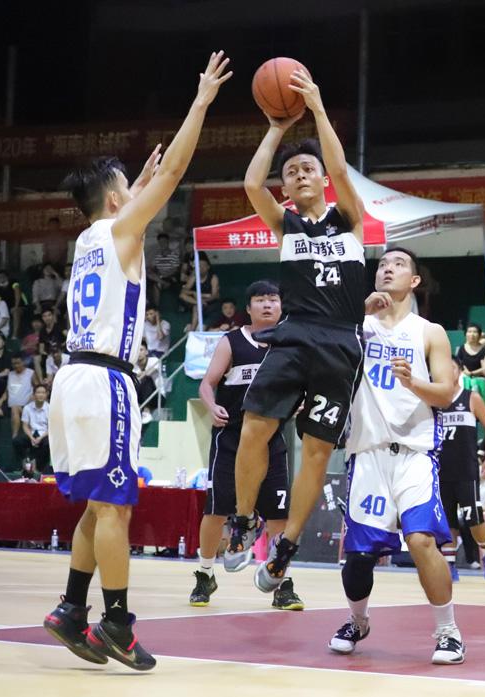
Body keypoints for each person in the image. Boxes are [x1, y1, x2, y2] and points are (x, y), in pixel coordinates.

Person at [42, 50, 231, 672]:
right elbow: (174, 175)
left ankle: (72, 608)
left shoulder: (87, 238)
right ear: (118, 196)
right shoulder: (122, 231)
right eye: (130, 185)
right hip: (104, 380)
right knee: (116, 507)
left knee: (100, 507)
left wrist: (136, 183)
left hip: (70, 378)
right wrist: (200, 102)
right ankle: (116, 622)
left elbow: (143, 192)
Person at [229, 66, 370, 590]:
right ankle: (245, 521)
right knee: (256, 427)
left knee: (316, 450)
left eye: (308, 168)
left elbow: (337, 163)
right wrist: (274, 128)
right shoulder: (284, 223)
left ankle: (286, 548)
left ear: (323, 178)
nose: (301, 175)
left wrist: (315, 110)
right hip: (295, 332)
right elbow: (249, 183)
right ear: (286, 187)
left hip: (341, 340)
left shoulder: (348, 217)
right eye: (292, 172)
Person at [326, 247, 463, 664]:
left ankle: (448, 632)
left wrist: (413, 383)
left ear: (415, 281)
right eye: (383, 265)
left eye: (398, 264)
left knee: (422, 541)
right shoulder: (356, 326)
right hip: (367, 452)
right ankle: (358, 619)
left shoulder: (429, 332)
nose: (387, 269)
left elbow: (447, 393)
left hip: (415, 453)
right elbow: (325, 353)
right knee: (360, 556)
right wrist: (355, 315)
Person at [189, 281, 303, 610]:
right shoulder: (232, 341)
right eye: (260, 300)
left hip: (271, 439)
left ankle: (283, 582)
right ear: (249, 307)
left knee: (279, 516)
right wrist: (211, 407)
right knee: (215, 510)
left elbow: (302, 386)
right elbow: (207, 384)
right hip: (231, 437)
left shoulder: (290, 344)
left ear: (281, 306)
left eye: (273, 299)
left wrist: (300, 401)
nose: (268, 305)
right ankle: (205, 573)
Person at [437, 357, 485, 582]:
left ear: (460, 371)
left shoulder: (470, 398)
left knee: (474, 518)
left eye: (452, 367)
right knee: (447, 521)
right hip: (441, 469)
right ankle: (450, 564)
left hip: (466, 469)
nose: (448, 370)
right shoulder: (435, 401)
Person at [14, 384, 51, 473]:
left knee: (47, 443)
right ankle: (25, 463)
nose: (41, 395)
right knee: (17, 441)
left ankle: (39, 468)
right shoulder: (27, 408)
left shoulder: (50, 408)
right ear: (34, 395)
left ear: (46, 395)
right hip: (31, 433)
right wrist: (31, 437)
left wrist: (40, 438)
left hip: (44, 434)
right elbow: (25, 426)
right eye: (38, 392)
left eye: (43, 392)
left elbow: (51, 428)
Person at [179, 253, 220, 331]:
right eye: (199, 265)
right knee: (183, 296)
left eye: (203, 265)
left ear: (208, 267)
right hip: (197, 300)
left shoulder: (213, 277)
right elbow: (184, 291)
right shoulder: (194, 276)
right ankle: (198, 303)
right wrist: (193, 294)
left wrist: (203, 299)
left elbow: (215, 295)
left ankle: (193, 329)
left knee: (196, 307)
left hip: (209, 302)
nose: (201, 268)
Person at [454, 323, 485, 402]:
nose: (472, 334)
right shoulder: (461, 349)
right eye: (469, 332)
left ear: (479, 335)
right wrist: (465, 372)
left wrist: (472, 373)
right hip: (464, 378)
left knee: (475, 385)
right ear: (465, 334)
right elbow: (458, 365)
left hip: (480, 379)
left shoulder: (484, 350)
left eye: (475, 332)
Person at [6, 354, 38, 438]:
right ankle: (15, 436)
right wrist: (0, 400)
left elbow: (37, 388)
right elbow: (7, 389)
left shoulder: (30, 373)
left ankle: (16, 435)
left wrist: (33, 397)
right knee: (14, 408)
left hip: (27, 404)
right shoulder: (10, 374)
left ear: (23, 362)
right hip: (12, 405)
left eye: (18, 363)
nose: (16, 365)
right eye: (14, 364)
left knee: (15, 408)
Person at [147, 232, 180, 305]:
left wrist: (164, 275)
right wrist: (151, 269)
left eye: (164, 242)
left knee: (157, 284)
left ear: (167, 242)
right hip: (159, 276)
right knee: (148, 274)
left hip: (169, 277)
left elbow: (175, 270)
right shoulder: (157, 256)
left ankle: (156, 308)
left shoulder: (174, 255)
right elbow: (154, 268)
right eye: (160, 242)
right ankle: (164, 283)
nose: (162, 244)